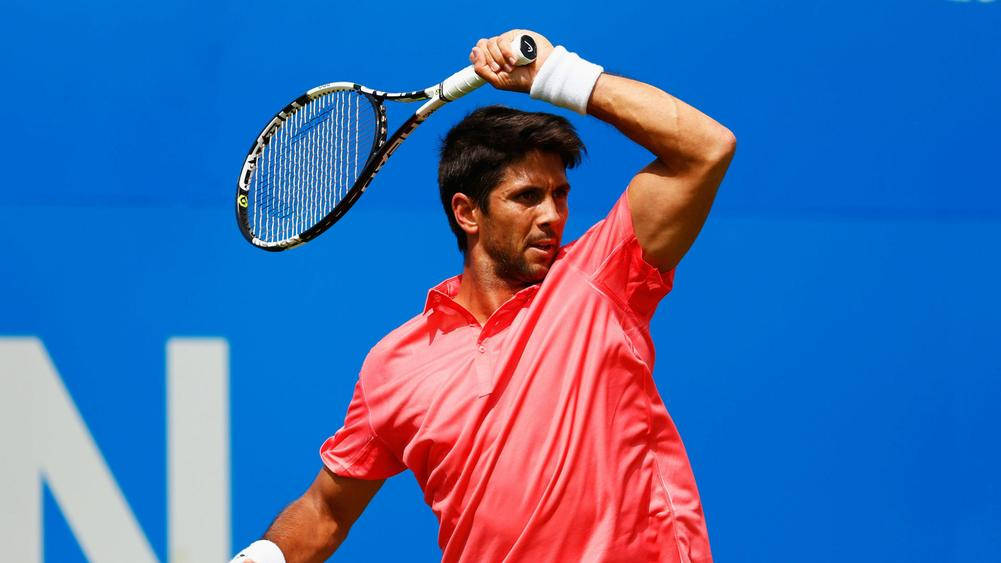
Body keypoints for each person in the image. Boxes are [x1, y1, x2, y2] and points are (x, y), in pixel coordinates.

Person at [233, 28, 735, 563]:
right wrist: (264, 556)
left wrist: (555, 73)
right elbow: (325, 511)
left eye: (560, 195)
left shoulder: (600, 280)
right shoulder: (394, 366)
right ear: (467, 212)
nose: (552, 216)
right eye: (527, 197)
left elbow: (705, 149)